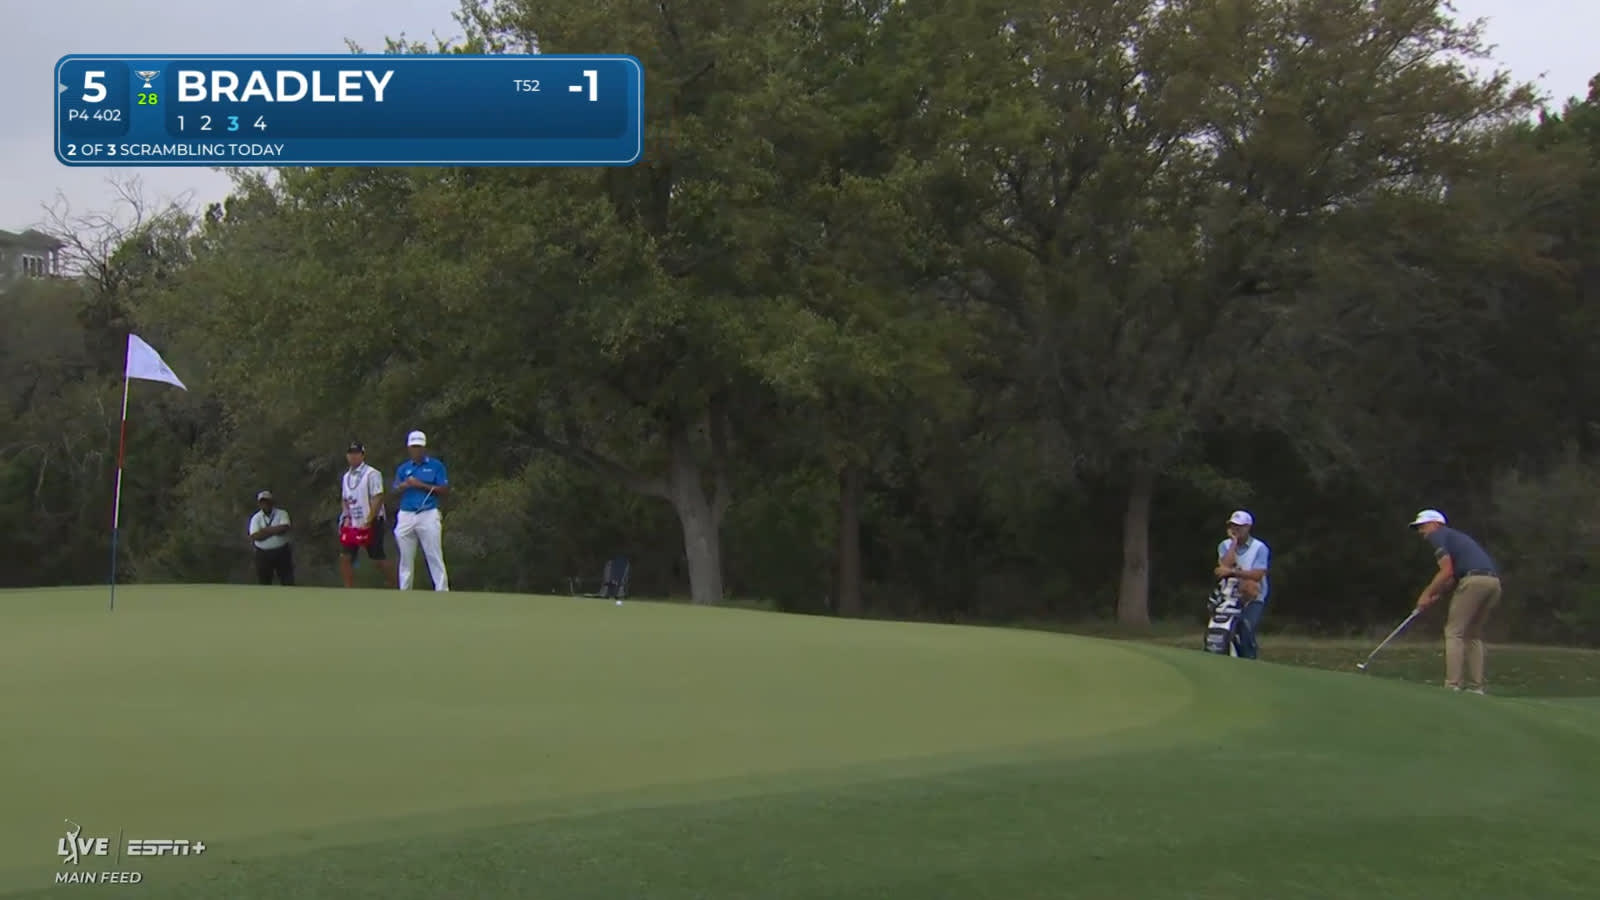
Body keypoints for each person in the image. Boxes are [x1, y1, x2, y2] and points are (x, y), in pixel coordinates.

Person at [1409, 509, 1502, 694]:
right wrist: (1436, 594)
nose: (1421, 532)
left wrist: (1425, 594)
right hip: (1493, 583)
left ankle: (1452, 686)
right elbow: (1452, 578)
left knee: (1454, 632)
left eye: (1422, 526)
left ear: (1435, 524)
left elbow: (1446, 571)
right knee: (1473, 635)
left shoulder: (1438, 535)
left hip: (1474, 581)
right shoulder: (1456, 537)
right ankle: (1477, 688)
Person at [392, 430, 450, 591]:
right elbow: (394, 489)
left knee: (434, 554)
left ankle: (442, 589)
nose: (416, 450)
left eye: (419, 447)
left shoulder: (435, 466)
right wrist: (404, 485)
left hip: (428, 513)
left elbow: (444, 489)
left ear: (424, 448)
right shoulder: (404, 469)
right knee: (405, 557)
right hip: (406, 513)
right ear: (409, 448)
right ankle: (405, 590)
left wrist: (420, 485)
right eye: (413, 447)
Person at [338, 441, 396, 588]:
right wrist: (346, 517)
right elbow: (345, 499)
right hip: (353, 522)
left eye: (357, 454)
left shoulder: (372, 474)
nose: (353, 457)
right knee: (345, 556)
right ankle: (348, 588)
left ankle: (395, 584)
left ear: (362, 455)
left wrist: (369, 520)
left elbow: (378, 497)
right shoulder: (346, 477)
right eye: (351, 454)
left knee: (377, 558)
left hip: (372, 520)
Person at [1214, 510, 1270, 658]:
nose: (1236, 529)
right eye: (1232, 525)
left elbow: (1258, 575)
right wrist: (1233, 543)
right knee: (1225, 631)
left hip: (1254, 596)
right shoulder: (1224, 545)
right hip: (1229, 596)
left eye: (1240, 526)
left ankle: (1250, 660)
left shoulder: (1260, 548)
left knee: (1246, 628)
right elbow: (1224, 565)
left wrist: (1232, 573)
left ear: (1248, 527)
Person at [247, 490, 294, 585]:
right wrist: (274, 530)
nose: (265, 504)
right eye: (262, 502)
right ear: (259, 504)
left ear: (272, 502)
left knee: (287, 580)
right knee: (264, 581)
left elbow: (284, 528)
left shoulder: (282, 513)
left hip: (282, 552)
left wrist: (264, 530)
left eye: (267, 502)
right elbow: (255, 536)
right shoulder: (256, 518)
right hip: (263, 554)